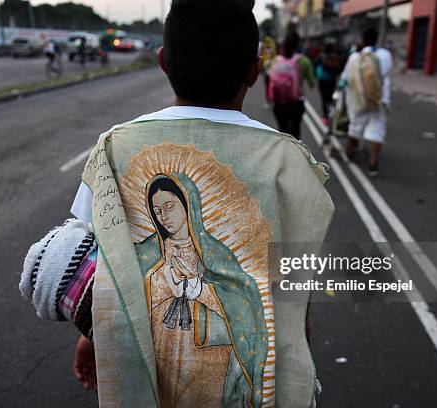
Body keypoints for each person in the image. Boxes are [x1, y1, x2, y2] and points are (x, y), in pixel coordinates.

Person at [20, 0, 334, 407]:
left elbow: (102, 265)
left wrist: (202, 292)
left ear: (163, 61)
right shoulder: (289, 162)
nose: (165, 215)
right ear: (255, 71)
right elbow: (294, 295)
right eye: (159, 208)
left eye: (173, 206)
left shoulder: (114, 149)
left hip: (209, 363)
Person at [341, 27, 392, 178]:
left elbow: (345, 78)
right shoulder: (386, 55)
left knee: (355, 125)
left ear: (363, 39)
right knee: (377, 128)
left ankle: (349, 153)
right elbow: (386, 74)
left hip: (359, 99)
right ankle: (373, 165)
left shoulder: (355, 57)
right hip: (380, 98)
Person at [268, 32, 315, 139]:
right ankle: (296, 153)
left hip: (279, 103)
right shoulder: (304, 61)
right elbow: (312, 83)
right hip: (296, 103)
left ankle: (284, 153)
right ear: (298, 44)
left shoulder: (275, 60)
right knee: (295, 129)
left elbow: (270, 78)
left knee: (283, 131)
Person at [314, 41, 341, 123]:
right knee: (330, 99)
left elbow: (315, 64)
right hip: (332, 80)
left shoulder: (321, 55)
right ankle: (332, 115)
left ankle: (326, 117)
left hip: (322, 80)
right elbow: (338, 68)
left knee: (324, 99)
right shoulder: (335, 56)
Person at [260, 35, 277, 107]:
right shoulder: (272, 47)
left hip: (267, 69)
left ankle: (269, 101)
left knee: (268, 86)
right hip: (271, 69)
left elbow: (261, 57)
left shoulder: (263, 48)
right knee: (271, 86)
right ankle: (272, 101)